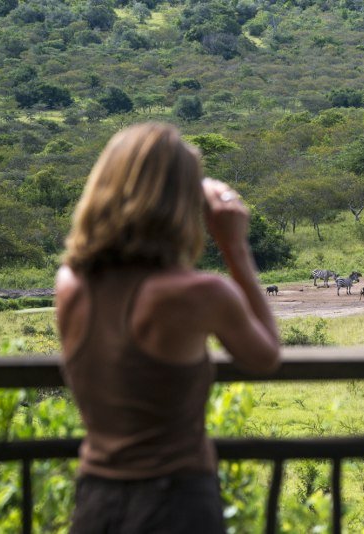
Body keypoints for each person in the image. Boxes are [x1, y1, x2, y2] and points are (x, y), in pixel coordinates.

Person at [55, 122, 280, 533]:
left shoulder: (70, 284)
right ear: (182, 203)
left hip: (96, 497)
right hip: (176, 500)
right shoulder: (196, 293)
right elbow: (264, 355)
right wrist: (235, 247)